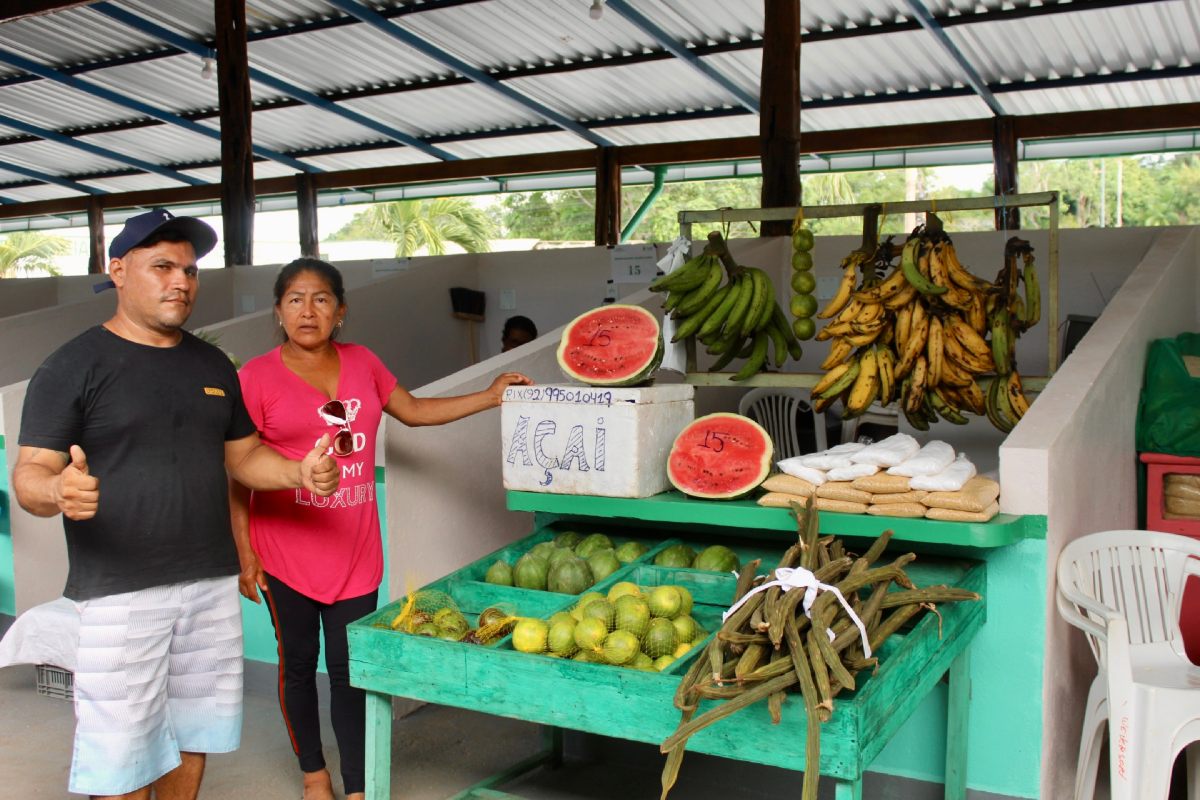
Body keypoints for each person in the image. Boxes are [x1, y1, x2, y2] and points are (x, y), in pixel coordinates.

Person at [12, 209, 341, 800]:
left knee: (195, 732)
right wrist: (57, 490)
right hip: (118, 590)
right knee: (121, 751)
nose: (182, 282)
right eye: (162, 266)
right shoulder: (72, 365)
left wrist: (298, 470)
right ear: (117, 270)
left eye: (189, 270)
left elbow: (242, 459)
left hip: (209, 585)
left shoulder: (211, 364)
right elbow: (29, 475)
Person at [230, 257, 531, 800]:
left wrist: (490, 395)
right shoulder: (254, 377)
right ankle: (313, 774)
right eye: (295, 299)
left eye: (321, 299)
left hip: (355, 550)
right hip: (285, 552)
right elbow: (236, 470)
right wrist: (245, 552)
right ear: (278, 311)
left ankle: (357, 785)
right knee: (297, 667)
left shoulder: (364, 362)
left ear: (340, 312)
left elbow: (413, 410)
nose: (307, 310)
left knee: (351, 670)